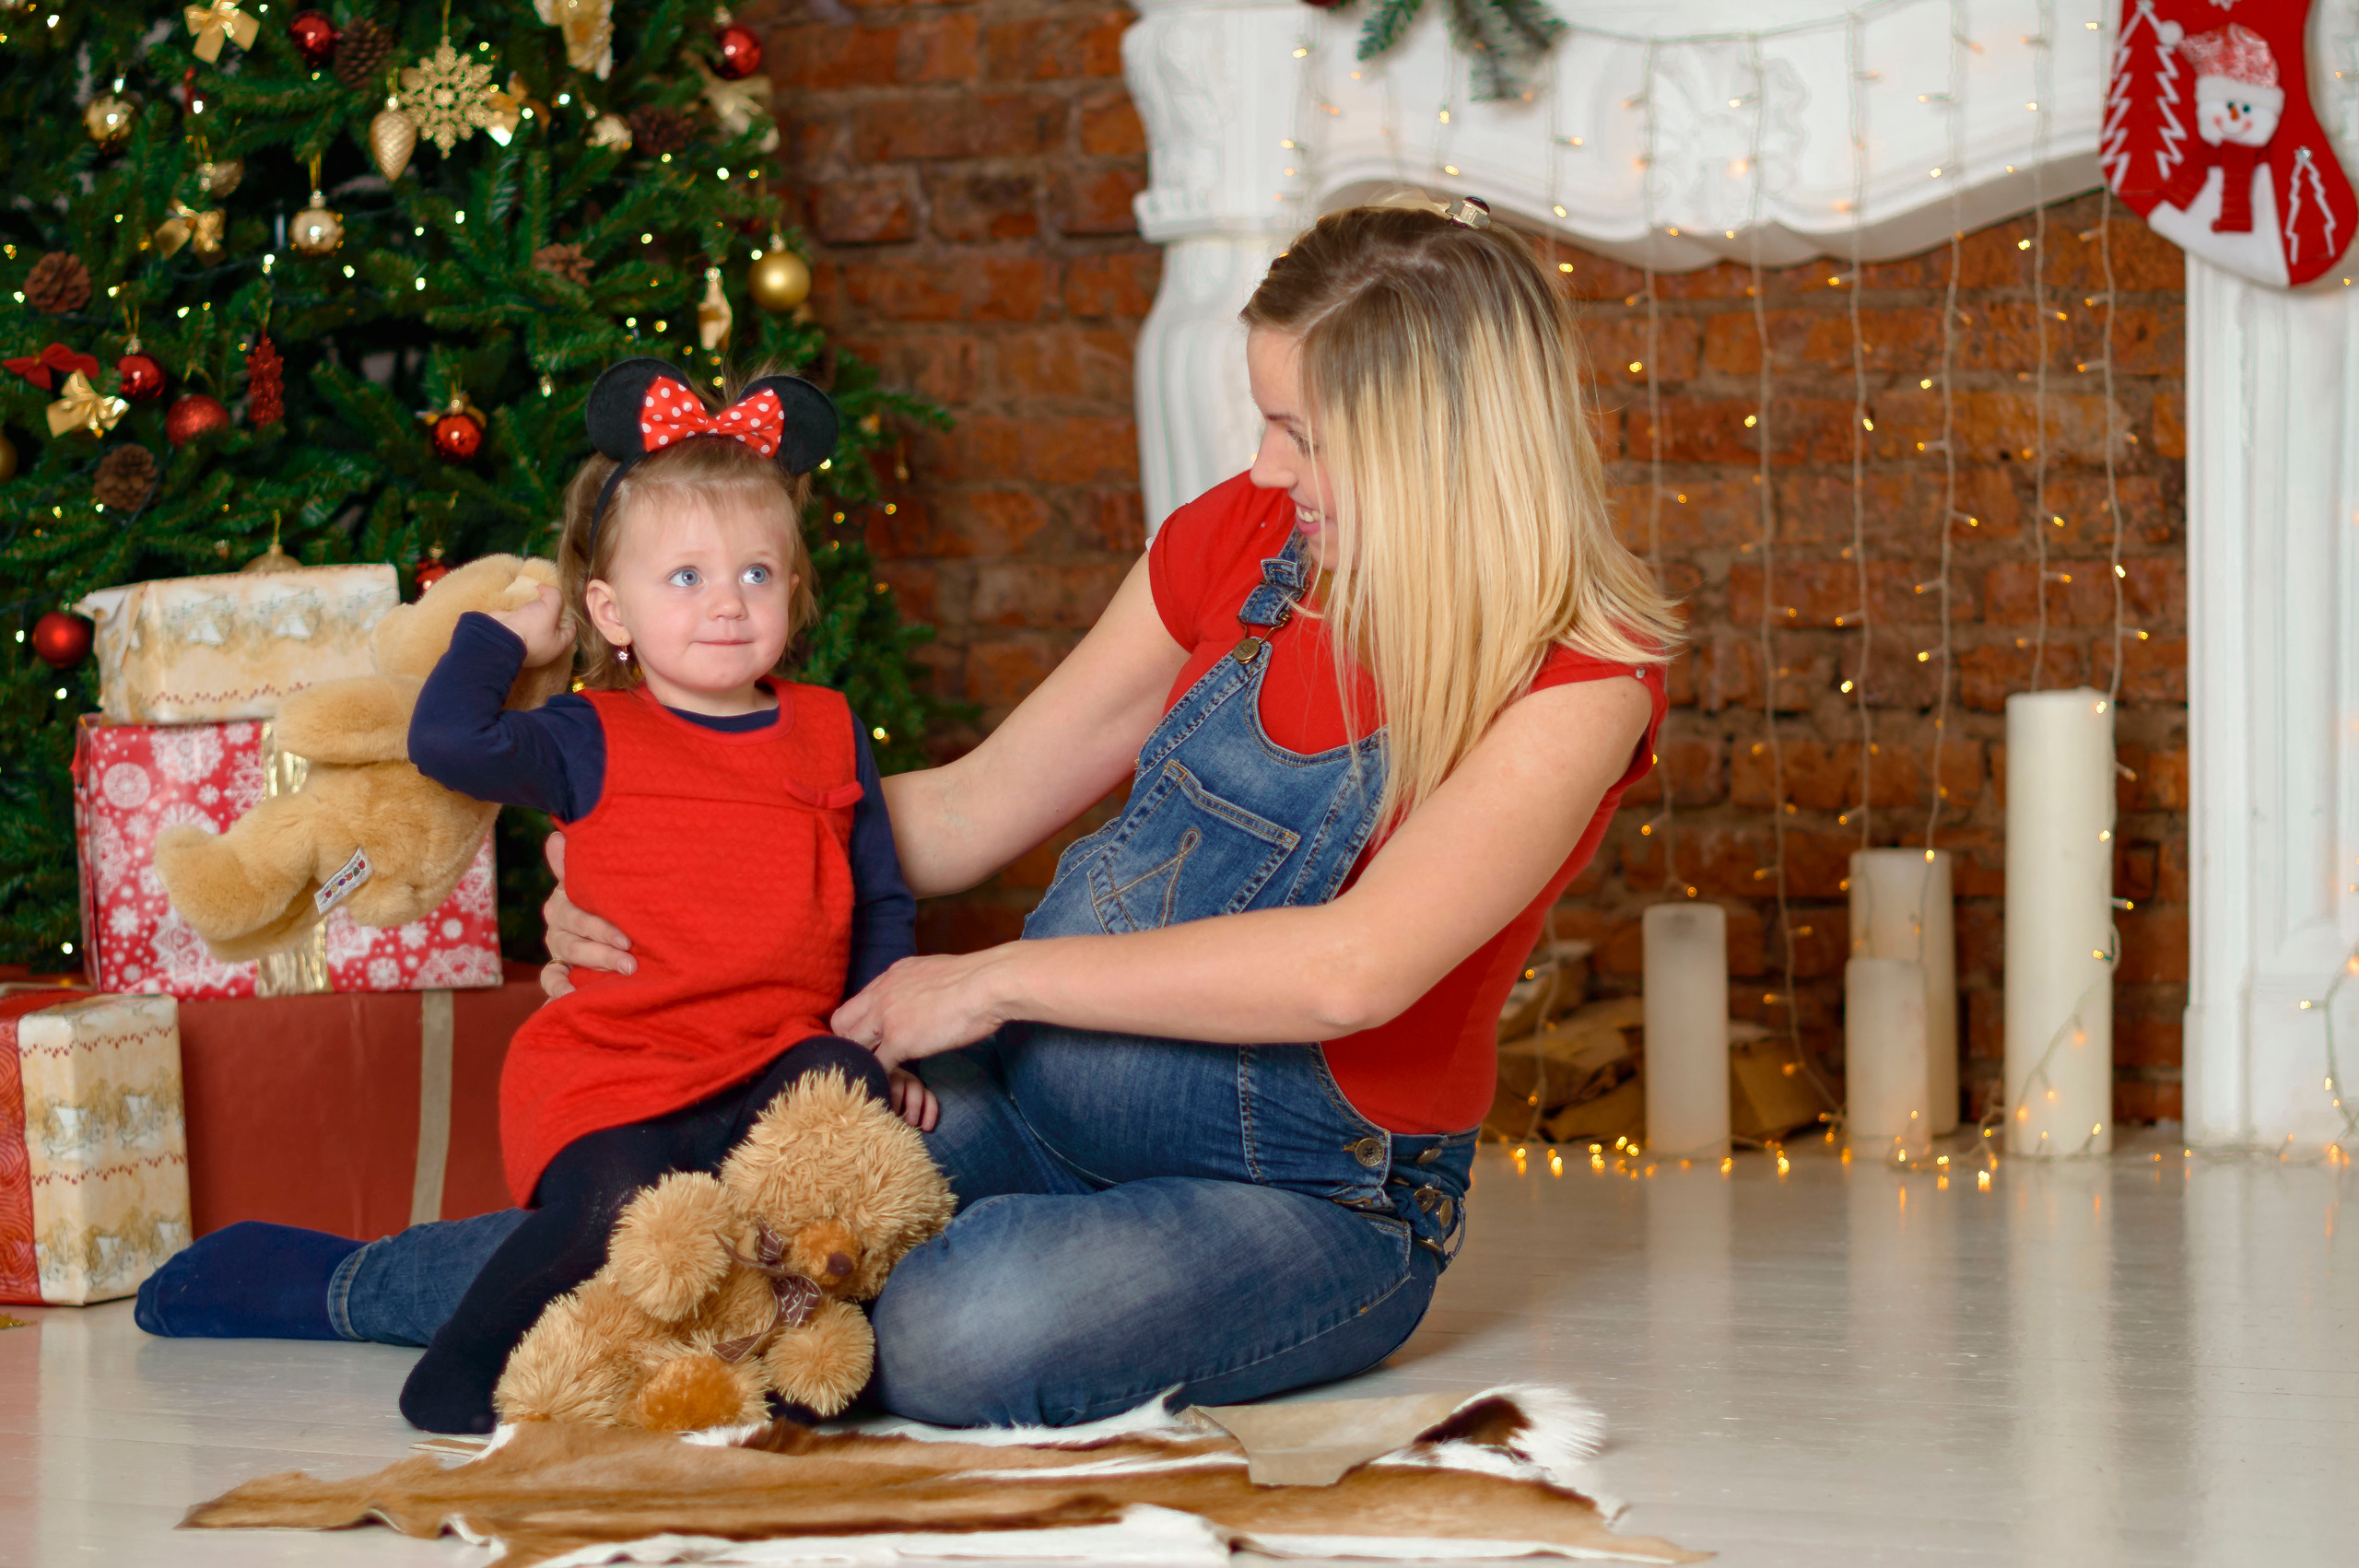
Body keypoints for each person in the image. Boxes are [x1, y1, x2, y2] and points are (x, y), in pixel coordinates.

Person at [140, 195, 1677, 1430]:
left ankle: (805, 1306)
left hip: (1299, 1198)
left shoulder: (1581, 675)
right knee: (689, 1201)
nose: (1265, 467)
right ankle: (351, 1288)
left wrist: (992, 978)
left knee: (950, 1328)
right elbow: (964, 812)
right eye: (1265, 419)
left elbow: (1356, 968)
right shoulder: (1240, 545)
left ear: (1436, 444)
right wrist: (652, 846)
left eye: (1306, 434)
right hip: (1034, 1103)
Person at [142, 360, 923, 1436]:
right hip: (619, 1073)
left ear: (795, 588)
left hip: (763, 1062)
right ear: (611, 610)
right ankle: (458, 1374)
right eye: (683, 579)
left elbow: (879, 899)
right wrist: (506, 638)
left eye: (756, 573)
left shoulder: (826, 726)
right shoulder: (588, 736)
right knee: (622, 1206)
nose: (728, 604)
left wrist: (885, 1037)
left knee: (843, 1089)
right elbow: (445, 739)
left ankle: (775, 1353)